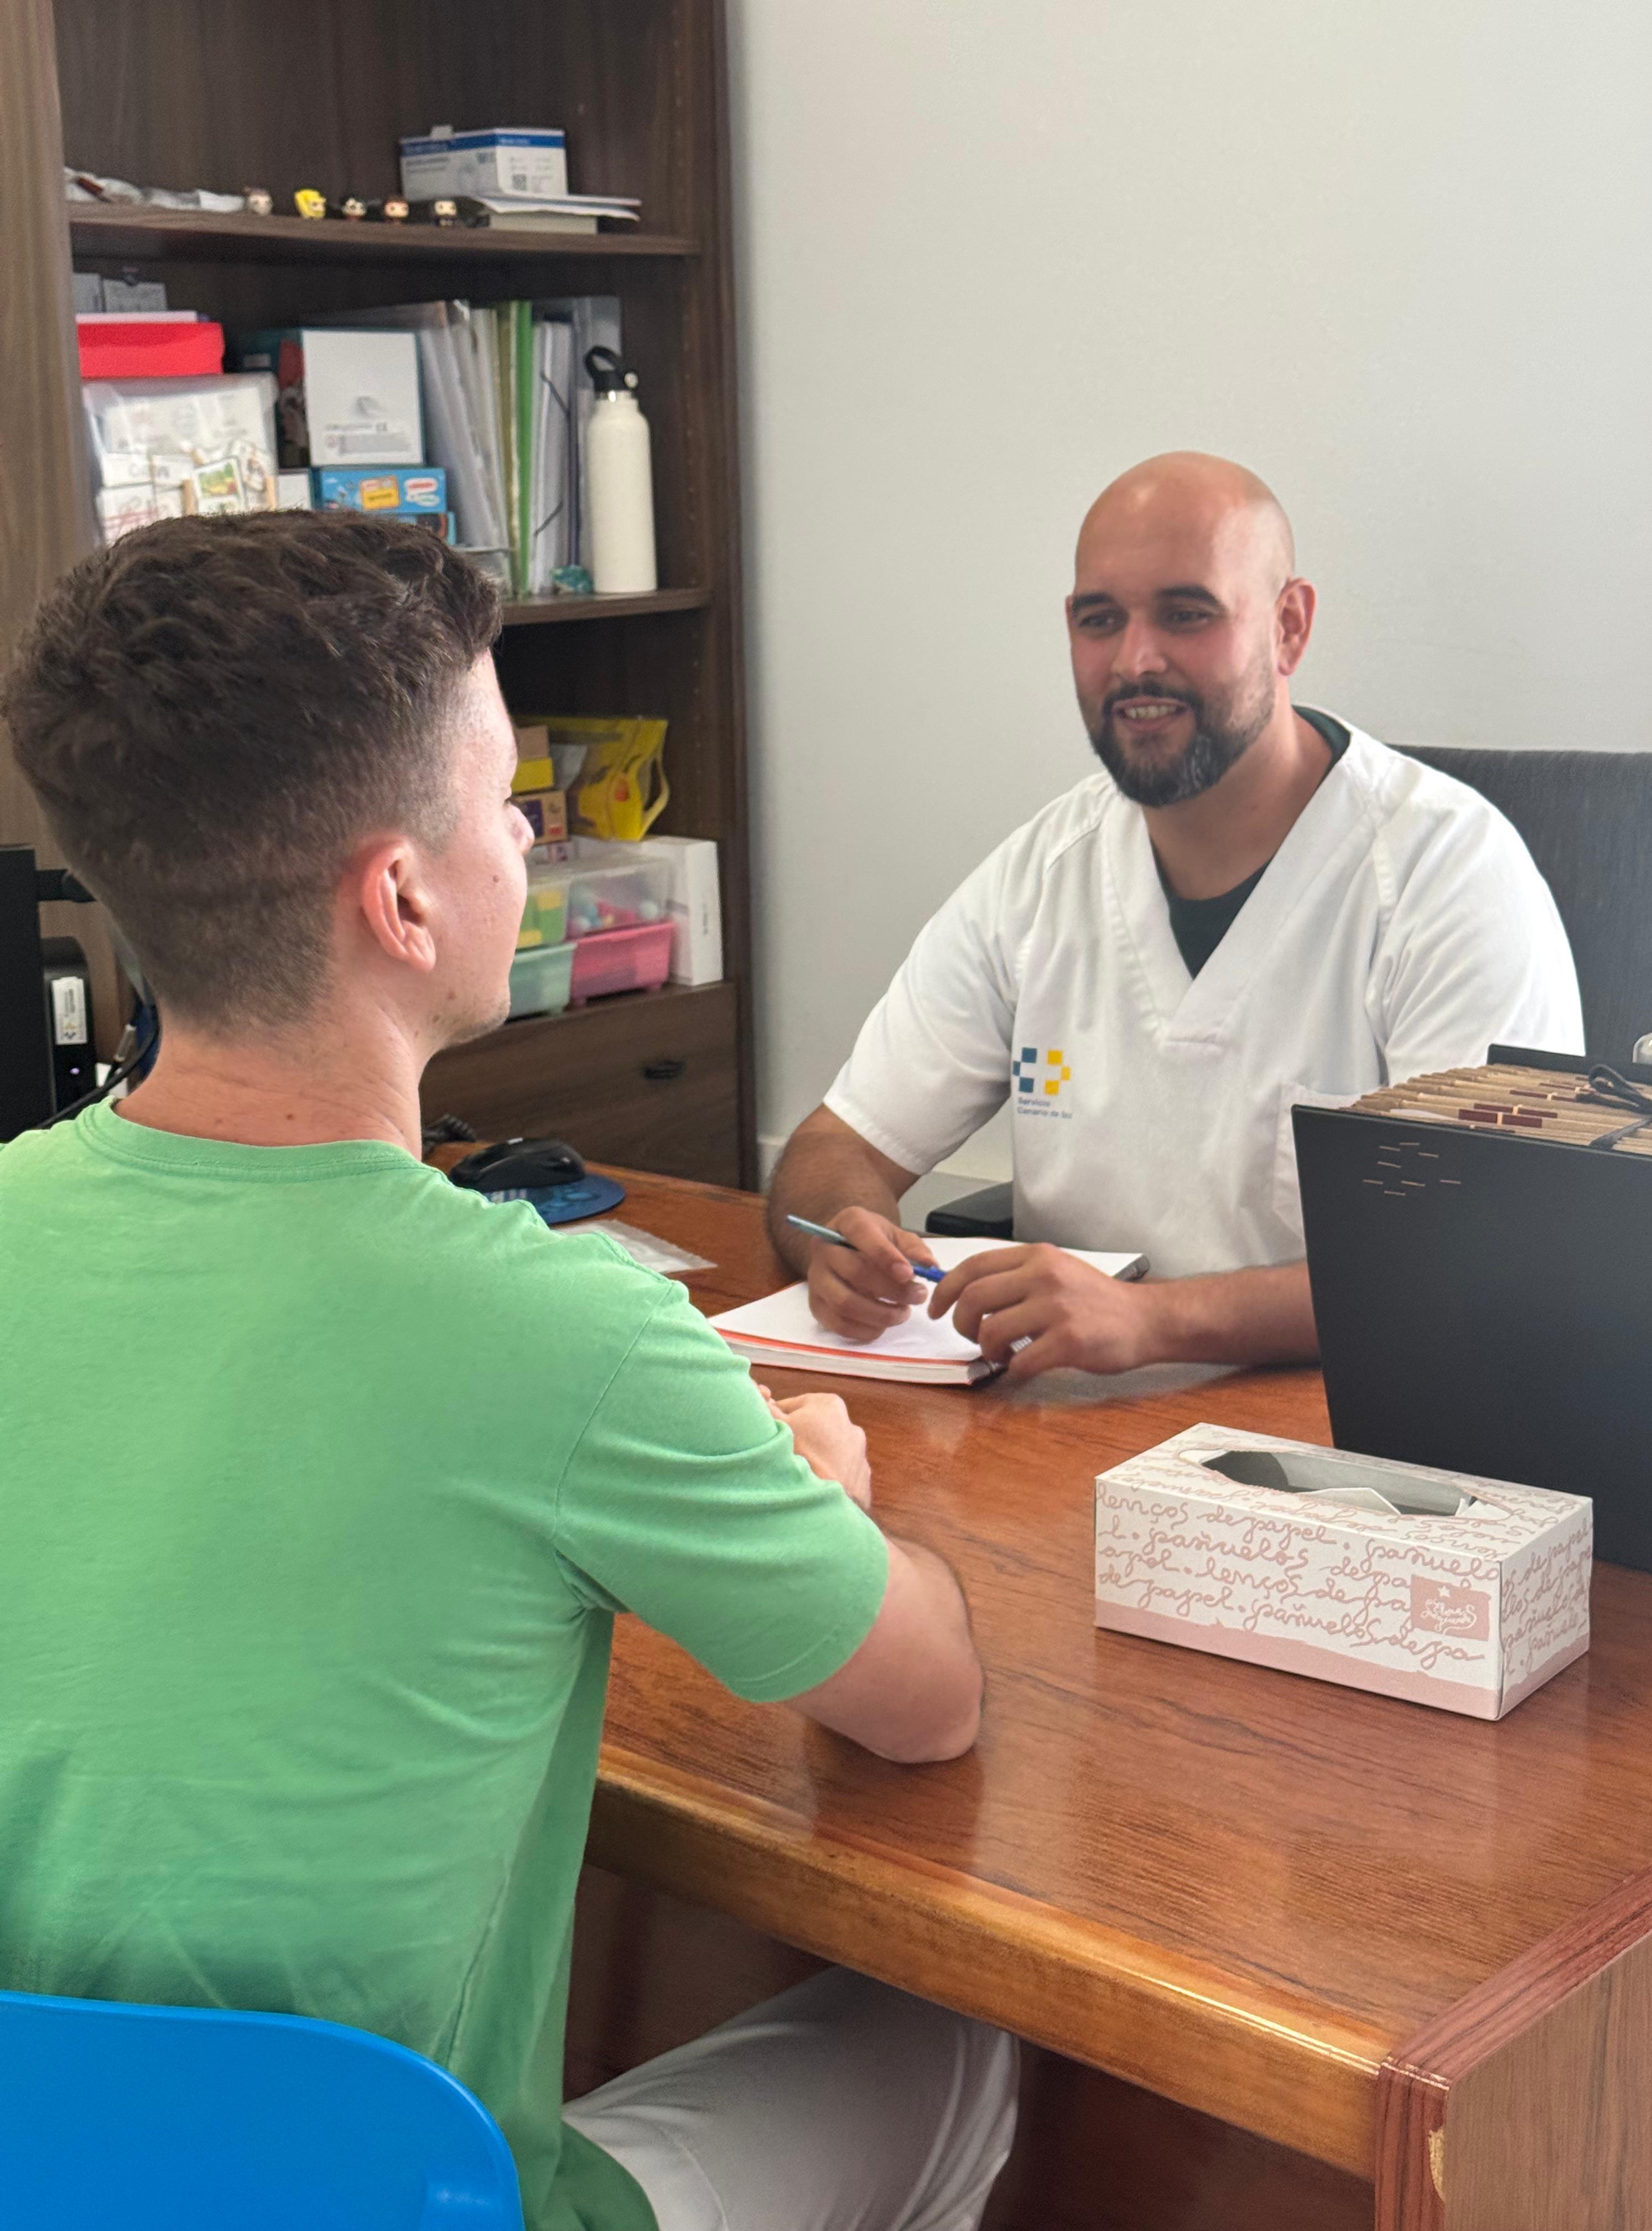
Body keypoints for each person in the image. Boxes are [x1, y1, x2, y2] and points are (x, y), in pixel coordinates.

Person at [0, 513, 1017, 2231]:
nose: (534, 835)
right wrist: (829, 1499)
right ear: (401, 897)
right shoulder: (567, 1333)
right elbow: (930, 1709)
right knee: (959, 2043)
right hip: (394, 2207)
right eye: (503, 797)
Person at [768, 452, 1583, 1383]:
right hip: (1065, 1424)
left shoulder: (1448, 875)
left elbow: (1478, 1256)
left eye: (1186, 614)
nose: (1135, 660)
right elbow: (835, 1146)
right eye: (1100, 619)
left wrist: (1153, 1322)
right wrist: (840, 1235)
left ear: (1288, 627)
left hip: (1346, 1427)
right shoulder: (1042, 875)